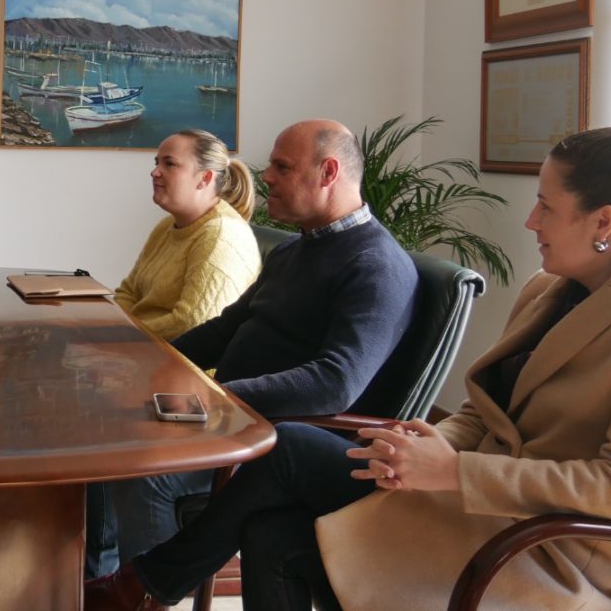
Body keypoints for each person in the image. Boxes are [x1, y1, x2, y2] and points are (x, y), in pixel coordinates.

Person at [88, 114, 611, 611]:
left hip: (551, 549)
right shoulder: (551, 288)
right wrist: (430, 439)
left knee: (290, 449)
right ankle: (140, 587)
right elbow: (486, 411)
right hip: (478, 499)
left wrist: (456, 470)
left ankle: (140, 588)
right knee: (271, 529)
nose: (530, 219)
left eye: (545, 205)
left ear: (603, 222)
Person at [93, 119, 418, 578]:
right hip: (235, 416)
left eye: (282, 167)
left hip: (283, 437)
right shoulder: (292, 251)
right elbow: (227, 328)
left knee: (147, 471)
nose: (266, 176)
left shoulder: (376, 266)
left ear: (328, 173)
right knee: (108, 425)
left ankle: (139, 593)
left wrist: (218, 398)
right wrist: (147, 363)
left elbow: (335, 383)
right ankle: (99, 578)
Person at [114, 129, 261, 342]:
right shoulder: (168, 225)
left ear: (205, 178)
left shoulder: (222, 236)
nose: (155, 172)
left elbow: (191, 323)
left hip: (185, 366)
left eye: (169, 164)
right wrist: (112, 327)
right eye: (157, 163)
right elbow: (128, 291)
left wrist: (119, 334)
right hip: (140, 346)